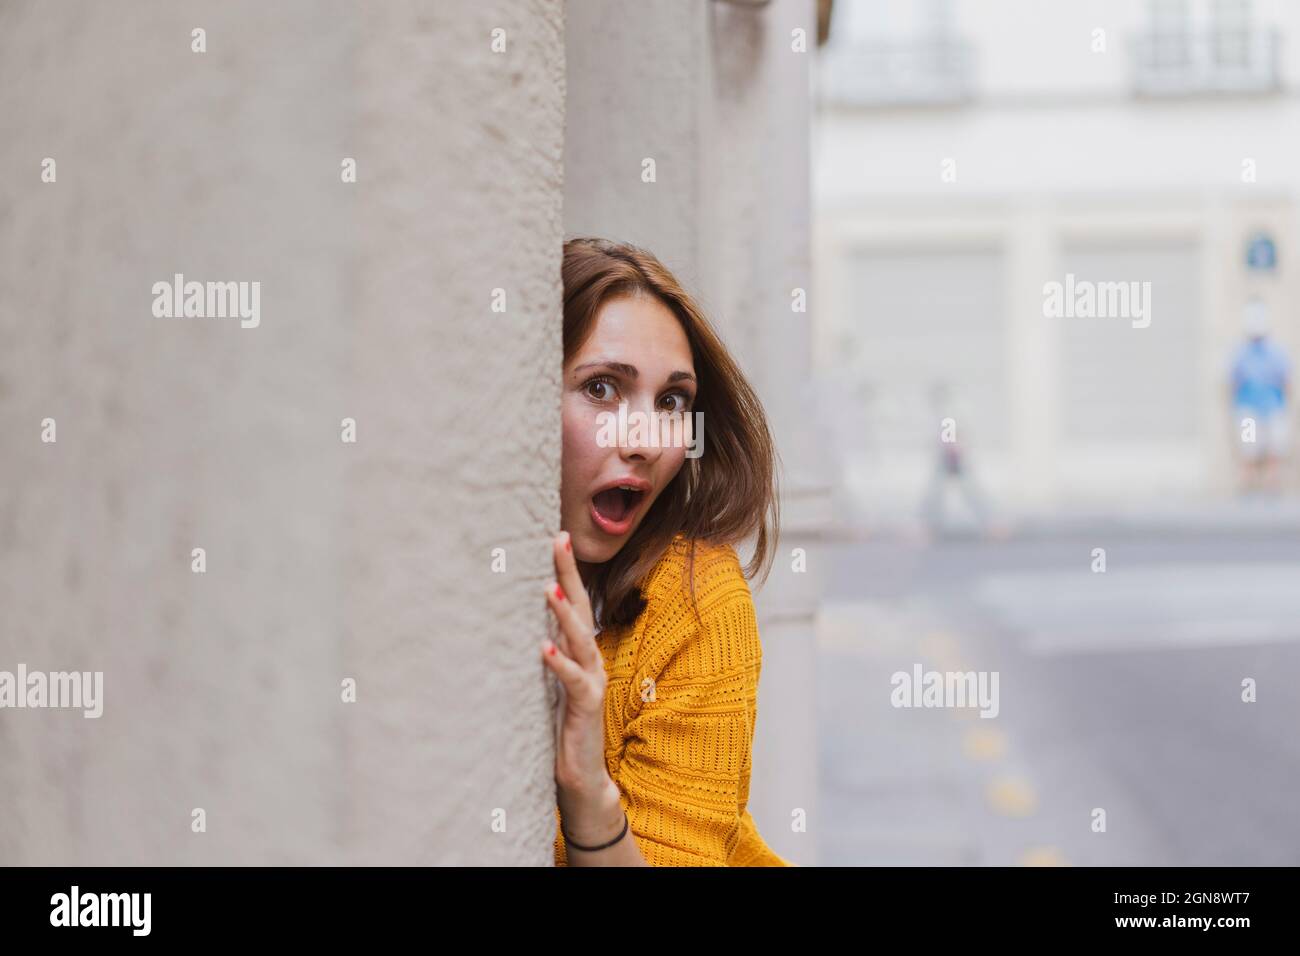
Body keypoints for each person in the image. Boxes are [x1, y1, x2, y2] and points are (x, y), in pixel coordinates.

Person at [541, 237, 791, 866]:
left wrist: (588, 791)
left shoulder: (698, 601)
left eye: (672, 401)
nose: (647, 441)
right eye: (601, 389)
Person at [1228, 299, 1291, 494]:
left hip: (1273, 407)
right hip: (1248, 408)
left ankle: (1273, 481)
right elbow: (1233, 381)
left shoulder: (1276, 351)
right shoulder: (1240, 352)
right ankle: (1248, 481)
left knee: (1275, 444)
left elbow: (1285, 379)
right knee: (1249, 446)